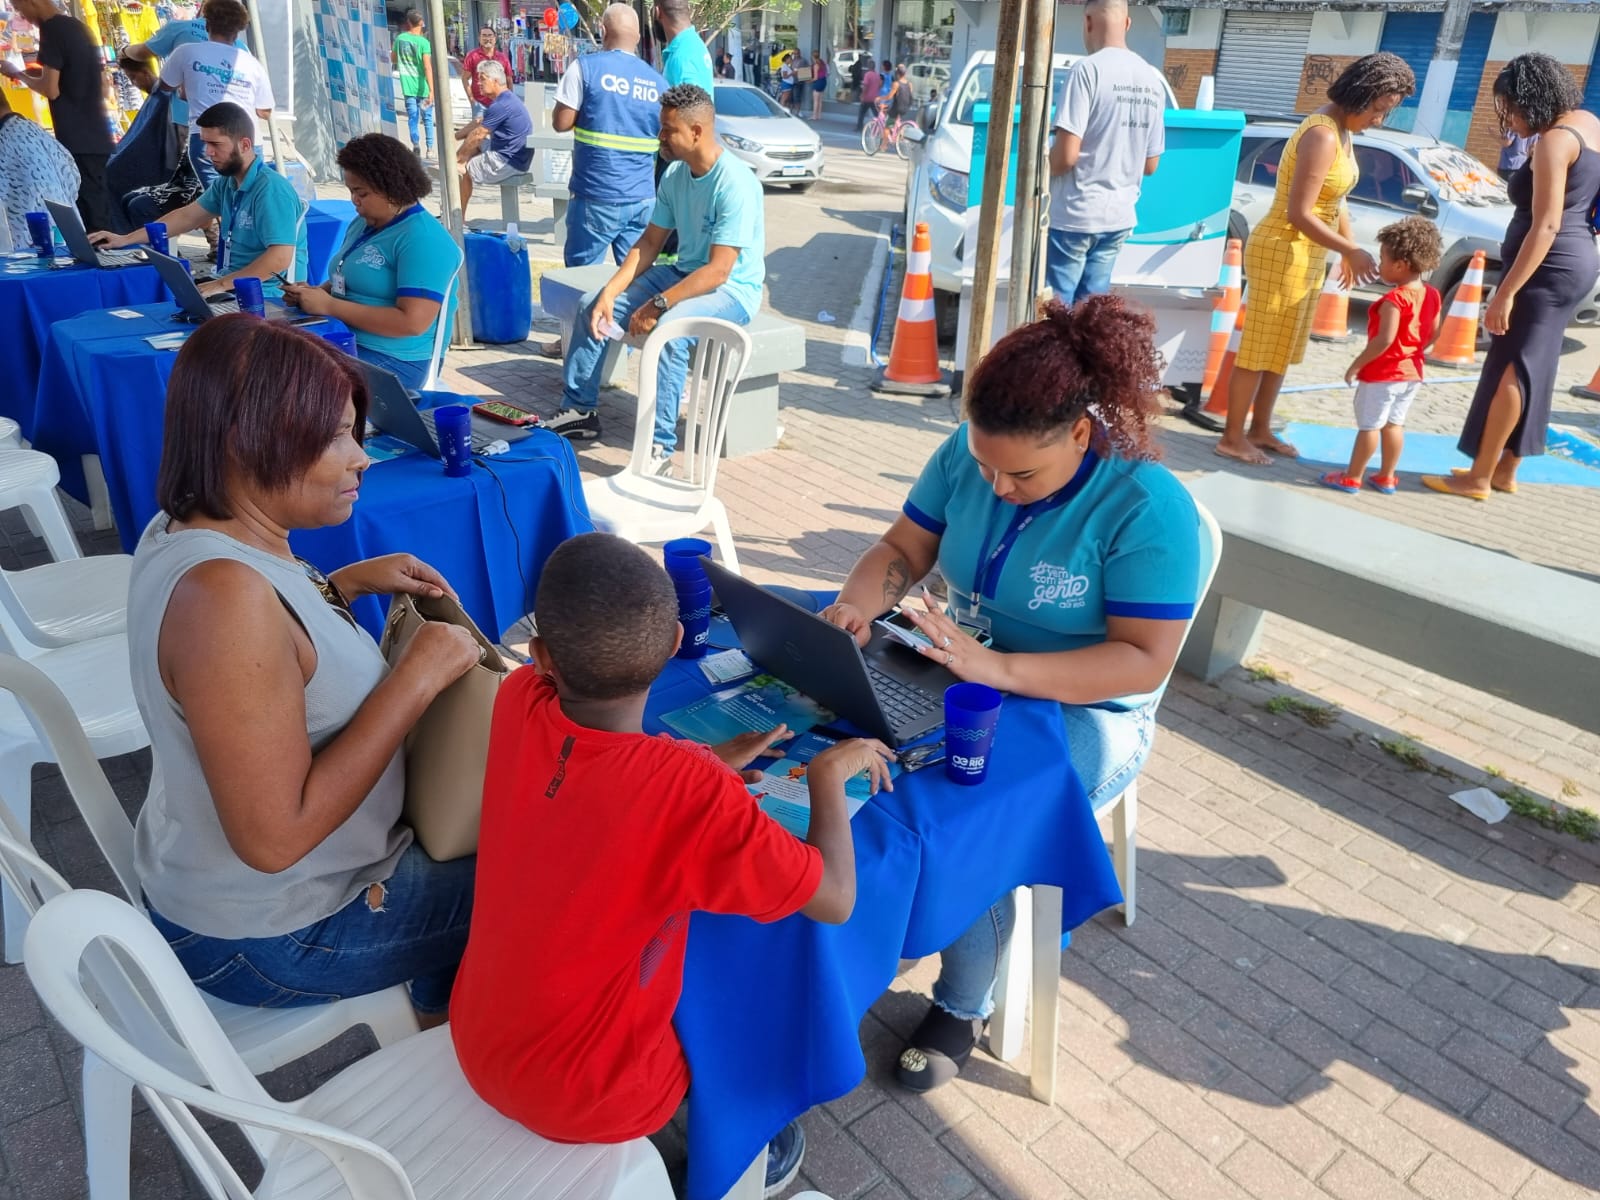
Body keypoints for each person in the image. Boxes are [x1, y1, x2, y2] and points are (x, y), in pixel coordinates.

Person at [820, 295, 1201, 1092]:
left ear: (1079, 432)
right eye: (985, 466)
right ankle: (871, 929)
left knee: (976, 815)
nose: (996, 486)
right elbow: (902, 546)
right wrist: (861, 602)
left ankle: (963, 1002)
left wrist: (1001, 672)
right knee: (847, 742)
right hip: (964, 669)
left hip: (1087, 710)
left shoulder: (1145, 506)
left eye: (1020, 473)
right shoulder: (970, 453)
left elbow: (1142, 661)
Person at [450, 531, 890, 1195]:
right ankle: (728, 1154)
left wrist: (702, 765)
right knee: (737, 998)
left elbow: (602, 785)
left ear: (540, 657)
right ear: (667, 657)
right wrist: (829, 775)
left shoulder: (518, 698)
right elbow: (833, 898)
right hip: (592, 1097)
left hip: (479, 1040)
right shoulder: (684, 790)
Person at [129, 315, 480, 1027]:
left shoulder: (185, 526)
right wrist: (414, 679)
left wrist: (340, 587)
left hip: (212, 879)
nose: (362, 459)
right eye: (334, 439)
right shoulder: (224, 600)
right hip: (278, 933)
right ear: (242, 439)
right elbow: (273, 839)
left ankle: (446, 1007)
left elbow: (267, 658)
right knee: (566, 870)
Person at [545, 85, 764, 476]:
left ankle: (659, 451)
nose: (660, 136)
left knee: (671, 332)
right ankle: (580, 410)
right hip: (685, 272)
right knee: (589, 305)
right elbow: (648, 243)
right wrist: (610, 294)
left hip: (731, 290)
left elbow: (719, 270)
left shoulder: (735, 183)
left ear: (696, 131)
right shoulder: (676, 174)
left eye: (668, 130)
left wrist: (659, 304)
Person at [1215, 53, 1414, 466]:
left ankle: (1260, 428)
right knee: (1258, 351)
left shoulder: (1343, 130)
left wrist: (1344, 246)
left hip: (1308, 253)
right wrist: (1350, 250)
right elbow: (1299, 212)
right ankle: (1232, 437)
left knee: (1283, 349)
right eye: (1378, 110)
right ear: (1361, 95)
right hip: (1282, 249)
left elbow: (1334, 199)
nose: (1379, 120)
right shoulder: (1322, 134)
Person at [1425, 54, 1600, 500]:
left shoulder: (1553, 142)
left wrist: (1505, 292)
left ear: (1533, 101)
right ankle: (1504, 470)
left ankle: (1479, 477)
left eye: (1511, 108)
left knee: (1513, 365)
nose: (1509, 117)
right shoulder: (1586, 123)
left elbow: (1546, 224)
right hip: (1576, 259)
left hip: (1547, 265)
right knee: (1534, 365)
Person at [283, 133, 462, 390]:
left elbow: (412, 323)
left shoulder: (423, 239)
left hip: (397, 361)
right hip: (346, 339)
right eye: (351, 191)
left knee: (290, 383)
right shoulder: (364, 223)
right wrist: (313, 293)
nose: (353, 200)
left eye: (361, 193)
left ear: (391, 187)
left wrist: (329, 306)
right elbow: (350, 279)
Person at [91, 102, 306, 298]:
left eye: (215, 144)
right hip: (230, 287)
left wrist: (220, 285)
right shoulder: (227, 182)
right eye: (204, 143)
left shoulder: (270, 190)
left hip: (264, 296)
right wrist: (124, 239)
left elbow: (279, 259)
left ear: (245, 145)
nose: (207, 152)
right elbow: (186, 216)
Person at [1044, 0, 1165, 306]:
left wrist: (1042, 163)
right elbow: (1151, 165)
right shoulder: (1152, 79)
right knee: (1092, 316)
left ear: (1087, 21)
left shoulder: (1087, 71)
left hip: (1075, 215)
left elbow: (1066, 158)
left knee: (1057, 314)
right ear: (1127, 24)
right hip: (1119, 217)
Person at [1320, 217, 1442, 496]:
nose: (1379, 265)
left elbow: (1384, 340)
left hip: (1382, 374)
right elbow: (1435, 333)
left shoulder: (1393, 301)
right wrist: (1415, 352)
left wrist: (1356, 365)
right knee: (1395, 424)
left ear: (1400, 265)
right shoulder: (1432, 294)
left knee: (1369, 427)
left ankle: (1352, 476)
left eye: (1383, 259)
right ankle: (1387, 476)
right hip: (1412, 372)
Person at [552, 3, 666, 267]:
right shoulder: (658, 82)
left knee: (581, 281)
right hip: (642, 198)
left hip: (596, 195)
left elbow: (561, 122)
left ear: (602, 30)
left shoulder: (585, 68)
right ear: (638, 37)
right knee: (633, 280)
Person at [0, 0, 118, 233]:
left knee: (91, 218)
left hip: (77, 135)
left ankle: (99, 264)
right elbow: (101, 84)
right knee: (98, 209)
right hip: (95, 132)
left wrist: (18, 74)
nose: (23, 16)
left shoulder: (52, 29)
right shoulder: (77, 26)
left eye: (21, 10)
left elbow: (51, 89)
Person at [155, 0, 274, 191]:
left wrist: (190, 91)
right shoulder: (252, 64)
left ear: (207, 24)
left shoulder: (186, 52)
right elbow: (264, 111)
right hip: (247, 141)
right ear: (238, 31)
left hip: (207, 140)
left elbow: (165, 86)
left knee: (219, 202)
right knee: (249, 200)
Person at [0, 87, 79, 254]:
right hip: (70, 242)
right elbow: (74, 178)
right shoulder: (39, 134)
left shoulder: (6, 144)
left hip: (23, 253)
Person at [456, 60, 532, 208]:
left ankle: (458, 218)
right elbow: (479, 122)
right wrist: (455, 136)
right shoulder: (507, 99)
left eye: (482, 79)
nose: (478, 83)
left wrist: (458, 159)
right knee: (473, 146)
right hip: (516, 156)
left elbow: (478, 134)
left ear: (495, 81)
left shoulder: (500, 105)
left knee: (462, 172)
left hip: (508, 161)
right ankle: (457, 162)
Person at [392, 10, 434, 160]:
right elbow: (427, 67)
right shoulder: (424, 43)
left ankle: (416, 145)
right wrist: (431, 90)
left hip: (408, 87)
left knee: (413, 117)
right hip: (423, 87)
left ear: (408, 23)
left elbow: (394, 59)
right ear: (421, 23)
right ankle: (430, 148)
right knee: (428, 118)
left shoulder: (400, 39)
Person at [654, 0, 713, 91]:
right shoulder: (694, 44)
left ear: (657, 12)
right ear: (688, 10)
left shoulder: (682, 58)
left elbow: (693, 104)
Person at [462, 26, 513, 121]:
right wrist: (471, 99)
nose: (487, 38)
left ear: (495, 38)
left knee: (499, 133)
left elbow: (509, 81)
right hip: (480, 104)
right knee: (479, 133)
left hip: (499, 104)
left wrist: (509, 100)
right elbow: (465, 78)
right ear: (479, 38)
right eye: (484, 36)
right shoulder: (472, 56)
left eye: (490, 35)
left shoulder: (503, 58)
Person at [857, 56, 882, 132]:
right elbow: (880, 85)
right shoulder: (877, 75)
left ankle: (859, 127)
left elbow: (865, 86)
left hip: (867, 98)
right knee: (877, 114)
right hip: (875, 98)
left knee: (862, 113)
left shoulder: (868, 75)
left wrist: (862, 95)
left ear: (868, 67)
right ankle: (880, 127)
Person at [810, 49, 828, 121]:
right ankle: (819, 115)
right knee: (820, 100)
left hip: (818, 82)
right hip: (823, 81)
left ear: (812, 57)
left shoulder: (816, 65)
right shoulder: (822, 63)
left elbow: (815, 78)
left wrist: (809, 81)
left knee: (816, 100)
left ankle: (814, 116)